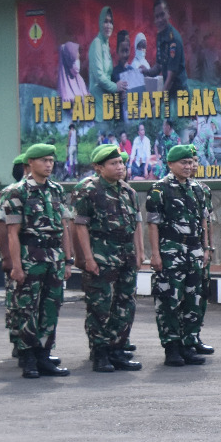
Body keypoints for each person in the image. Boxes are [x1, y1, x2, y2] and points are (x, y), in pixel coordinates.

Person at [0, 143, 72, 379]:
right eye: (43, 160)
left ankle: (44, 354)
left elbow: (64, 227)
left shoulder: (57, 190)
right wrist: (16, 266)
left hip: (54, 258)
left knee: (51, 307)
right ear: (30, 163)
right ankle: (28, 355)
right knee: (27, 308)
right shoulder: (17, 192)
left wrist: (68, 260)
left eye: (51, 160)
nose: (48, 165)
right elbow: (12, 232)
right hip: (30, 256)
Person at [71, 144, 144, 373]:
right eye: (113, 164)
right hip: (101, 255)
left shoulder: (128, 191)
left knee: (125, 304)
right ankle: (100, 352)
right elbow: (80, 226)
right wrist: (87, 258)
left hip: (125, 256)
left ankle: (118, 349)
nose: (120, 167)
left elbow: (135, 226)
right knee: (100, 306)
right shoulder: (88, 189)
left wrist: (139, 253)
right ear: (98, 167)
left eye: (121, 163)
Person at [146, 144, 213, 365]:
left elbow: (203, 220)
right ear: (170, 164)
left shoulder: (198, 189)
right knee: (169, 299)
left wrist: (205, 248)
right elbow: (153, 224)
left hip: (194, 251)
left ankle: (188, 343)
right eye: (183, 163)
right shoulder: (160, 189)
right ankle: (171, 347)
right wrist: (155, 254)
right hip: (171, 250)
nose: (188, 166)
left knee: (194, 298)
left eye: (190, 162)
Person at [88, 6, 119, 106]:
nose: (108, 25)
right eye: (105, 21)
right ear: (100, 23)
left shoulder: (105, 45)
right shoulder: (97, 43)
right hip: (97, 102)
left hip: (106, 101)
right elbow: (99, 77)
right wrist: (116, 87)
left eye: (111, 22)